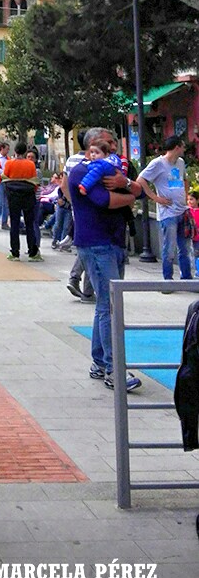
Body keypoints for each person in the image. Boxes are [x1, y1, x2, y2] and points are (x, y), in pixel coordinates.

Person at [68, 127, 142, 390]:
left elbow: (138, 189)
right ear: (92, 147)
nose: (114, 147)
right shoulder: (81, 171)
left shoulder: (114, 169)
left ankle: (100, 363)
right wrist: (129, 195)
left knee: (105, 305)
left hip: (113, 243)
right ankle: (114, 369)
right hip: (96, 244)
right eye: (108, 144)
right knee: (109, 306)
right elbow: (104, 200)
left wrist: (126, 186)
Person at [138, 135, 192, 282]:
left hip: (181, 209)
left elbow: (185, 179)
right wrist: (155, 197)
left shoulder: (180, 162)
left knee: (184, 248)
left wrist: (185, 195)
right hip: (168, 212)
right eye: (182, 146)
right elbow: (141, 180)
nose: (184, 149)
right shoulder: (158, 164)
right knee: (169, 248)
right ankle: (167, 278)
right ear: (176, 147)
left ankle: (186, 277)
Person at [3, 142, 41, 261]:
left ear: (15, 151)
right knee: (29, 223)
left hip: (13, 195)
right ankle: (32, 252)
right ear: (25, 152)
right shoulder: (30, 164)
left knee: (14, 223)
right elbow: (35, 182)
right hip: (28, 195)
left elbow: (4, 178)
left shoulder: (9, 163)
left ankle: (15, 253)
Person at [188, 189, 199, 277]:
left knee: (197, 254)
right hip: (190, 236)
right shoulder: (188, 211)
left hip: (197, 236)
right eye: (188, 199)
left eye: (192, 199)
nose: (189, 201)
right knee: (193, 254)